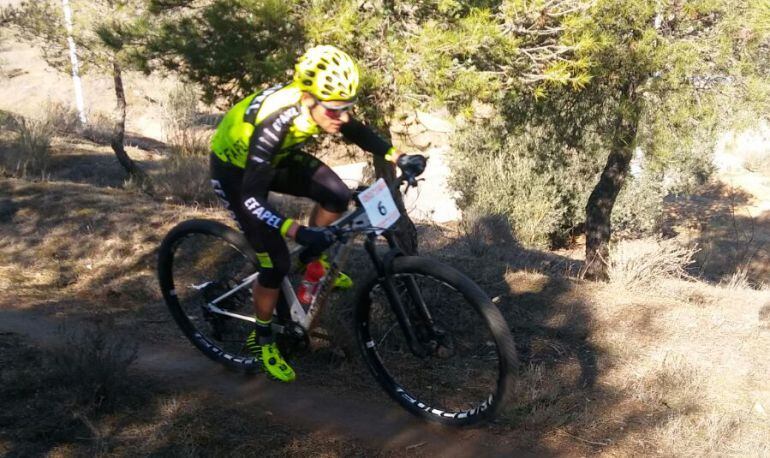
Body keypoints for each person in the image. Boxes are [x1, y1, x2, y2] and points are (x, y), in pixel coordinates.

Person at [209, 45, 417, 382]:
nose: (343, 117)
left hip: (274, 160)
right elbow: (250, 199)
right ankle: (262, 338)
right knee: (274, 262)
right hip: (236, 173)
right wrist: (294, 230)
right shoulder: (278, 122)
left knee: (336, 195)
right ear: (308, 99)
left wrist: (398, 156)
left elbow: (356, 130)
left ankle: (309, 261)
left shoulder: (324, 106)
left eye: (348, 107)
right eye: (335, 111)